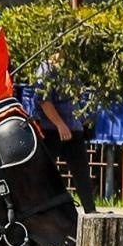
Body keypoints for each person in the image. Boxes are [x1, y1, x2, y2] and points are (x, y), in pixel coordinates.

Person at [33, 52, 98, 214]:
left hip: (73, 128)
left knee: (81, 171)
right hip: (51, 129)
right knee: (45, 172)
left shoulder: (72, 70)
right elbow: (43, 100)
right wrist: (60, 124)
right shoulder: (45, 69)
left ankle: (90, 211)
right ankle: (40, 210)